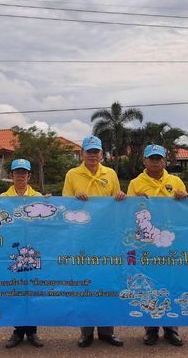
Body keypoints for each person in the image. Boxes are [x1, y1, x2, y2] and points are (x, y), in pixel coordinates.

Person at [62, 135, 126, 348]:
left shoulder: (110, 173)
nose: (92, 155)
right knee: (85, 283)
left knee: (107, 282)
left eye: (96, 151)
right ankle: (86, 331)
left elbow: (118, 201)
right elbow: (65, 205)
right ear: (82, 153)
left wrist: (120, 196)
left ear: (101, 154)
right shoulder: (72, 174)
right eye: (88, 151)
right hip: (82, 237)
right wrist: (74, 199)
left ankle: (107, 331)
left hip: (107, 237)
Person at [126, 144, 188, 347]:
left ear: (164, 160)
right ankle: (150, 327)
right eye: (151, 158)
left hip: (170, 242)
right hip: (147, 244)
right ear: (144, 161)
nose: (155, 162)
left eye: (158, 158)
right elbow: (129, 214)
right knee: (149, 281)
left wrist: (184, 199)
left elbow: (186, 210)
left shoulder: (176, 181)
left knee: (171, 281)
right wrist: (135, 202)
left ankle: (171, 328)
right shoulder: (135, 183)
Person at [0, 159, 46, 349]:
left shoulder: (38, 197)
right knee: (15, 290)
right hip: (12, 250)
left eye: (24, 173)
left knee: (32, 290)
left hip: (32, 249)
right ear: (12, 176)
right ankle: (17, 331)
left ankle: (32, 331)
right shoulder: (3, 198)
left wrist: (50, 203)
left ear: (29, 176)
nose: (21, 176)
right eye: (17, 172)